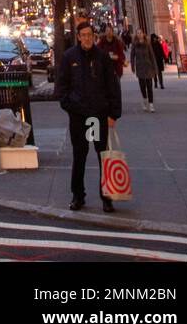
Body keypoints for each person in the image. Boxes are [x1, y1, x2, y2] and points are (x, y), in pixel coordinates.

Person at [58, 19, 122, 213]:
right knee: (79, 156)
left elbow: (113, 87)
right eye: (83, 35)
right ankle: (78, 196)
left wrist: (113, 114)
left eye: (89, 35)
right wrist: (70, 105)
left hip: (98, 116)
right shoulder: (69, 57)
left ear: (94, 37)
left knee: (103, 156)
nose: (87, 38)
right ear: (78, 37)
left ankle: (107, 197)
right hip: (79, 116)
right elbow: (61, 87)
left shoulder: (101, 58)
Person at [130, 28, 158, 111]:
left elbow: (152, 56)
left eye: (140, 33)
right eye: (137, 33)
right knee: (142, 86)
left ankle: (151, 104)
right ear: (136, 35)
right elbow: (132, 56)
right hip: (140, 67)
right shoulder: (135, 44)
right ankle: (145, 99)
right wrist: (132, 66)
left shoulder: (147, 44)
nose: (139, 34)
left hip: (148, 67)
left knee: (149, 86)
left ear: (143, 34)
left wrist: (155, 67)